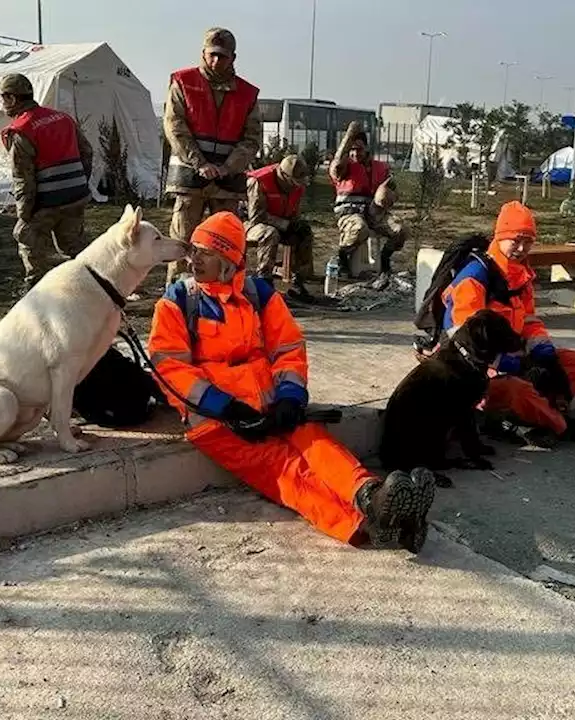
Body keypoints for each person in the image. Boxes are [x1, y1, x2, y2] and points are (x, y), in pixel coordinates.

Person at [148, 212, 437, 552]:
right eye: (193, 250)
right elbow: (170, 368)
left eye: (206, 252)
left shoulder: (260, 295)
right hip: (216, 422)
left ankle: (372, 496)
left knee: (316, 443)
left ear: (229, 259)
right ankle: (367, 526)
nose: (194, 259)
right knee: (285, 469)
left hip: (270, 406)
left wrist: (289, 398)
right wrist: (224, 407)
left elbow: (289, 349)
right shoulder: (177, 302)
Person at [441, 201, 575, 448]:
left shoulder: (520, 275)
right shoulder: (475, 277)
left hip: (515, 358)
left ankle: (526, 418)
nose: (521, 247)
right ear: (500, 237)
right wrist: (507, 364)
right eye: (515, 240)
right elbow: (464, 342)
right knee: (519, 390)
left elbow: (529, 319)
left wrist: (543, 352)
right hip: (478, 373)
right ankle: (561, 425)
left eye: (528, 241)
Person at [162, 27, 263, 285]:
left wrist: (228, 167)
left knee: (226, 244)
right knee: (182, 242)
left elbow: (252, 139)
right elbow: (175, 128)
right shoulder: (183, 82)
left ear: (233, 58)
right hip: (190, 178)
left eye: (223, 56)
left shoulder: (247, 94)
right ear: (203, 53)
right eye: (212, 55)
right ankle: (177, 297)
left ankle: (225, 295)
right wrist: (200, 163)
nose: (216, 61)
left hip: (227, 183)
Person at [0, 73, 94, 289]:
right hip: (76, 195)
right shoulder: (63, 118)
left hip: (48, 201)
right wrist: (80, 183)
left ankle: (36, 290)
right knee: (74, 246)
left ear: (13, 99)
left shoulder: (21, 131)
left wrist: (24, 214)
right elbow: (87, 152)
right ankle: (91, 285)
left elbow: (23, 179)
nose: (2, 104)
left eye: (3, 98)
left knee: (27, 239)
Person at [329, 121, 406, 290]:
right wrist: (348, 136)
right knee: (359, 229)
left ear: (367, 148)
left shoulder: (381, 167)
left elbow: (394, 189)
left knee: (400, 230)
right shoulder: (343, 167)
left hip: (374, 211)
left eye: (359, 149)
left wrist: (388, 196)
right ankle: (343, 257)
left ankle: (384, 262)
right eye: (352, 149)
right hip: (349, 212)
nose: (355, 153)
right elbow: (336, 164)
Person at [245, 154, 317, 300]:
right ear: (284, 175)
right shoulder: (260, 181)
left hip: (281, 223)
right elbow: (256, 217)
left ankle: (299, 282)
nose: (296, 186)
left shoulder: (298, 186)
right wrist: (285, 224)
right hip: (249, 224)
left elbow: (294, 212)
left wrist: (296, 224)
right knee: (270, 234)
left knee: (304, 233)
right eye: (294, 182)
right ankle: (264, 282)